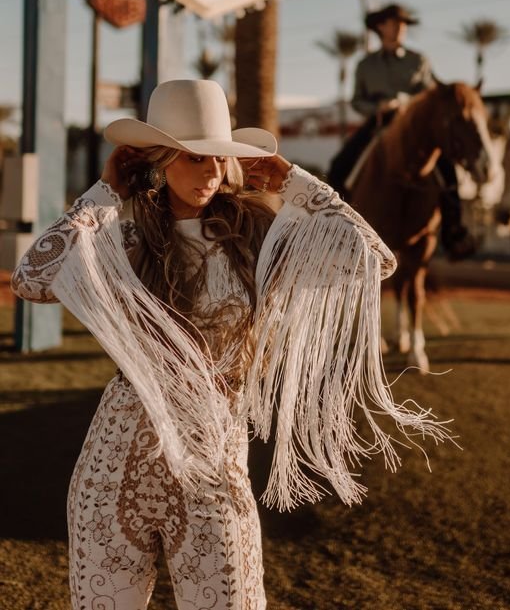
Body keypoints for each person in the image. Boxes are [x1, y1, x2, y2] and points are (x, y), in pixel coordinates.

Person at [11, 78, 454, 610]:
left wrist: (296, 182)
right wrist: (103, 193)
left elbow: (373, 259)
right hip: (113, 465)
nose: (210, 172)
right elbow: (31, 279)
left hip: (215, 460)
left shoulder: (258, 234)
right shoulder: (122, 237)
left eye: (219, 159)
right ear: (158, 159)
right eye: (194, 157)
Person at [328, 3, 475, 260]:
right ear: (380, 27)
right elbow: (356, 101)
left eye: (404, 24)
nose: (400, 29)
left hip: (416, 130)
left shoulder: (419, 61)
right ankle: (334, 228)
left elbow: (432, 96)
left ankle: (454, 232)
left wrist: (408, 103)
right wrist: (377, 106)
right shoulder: (365, 65)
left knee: (448, 172)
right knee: (339, 167)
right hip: (379, 124)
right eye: (395, 23)